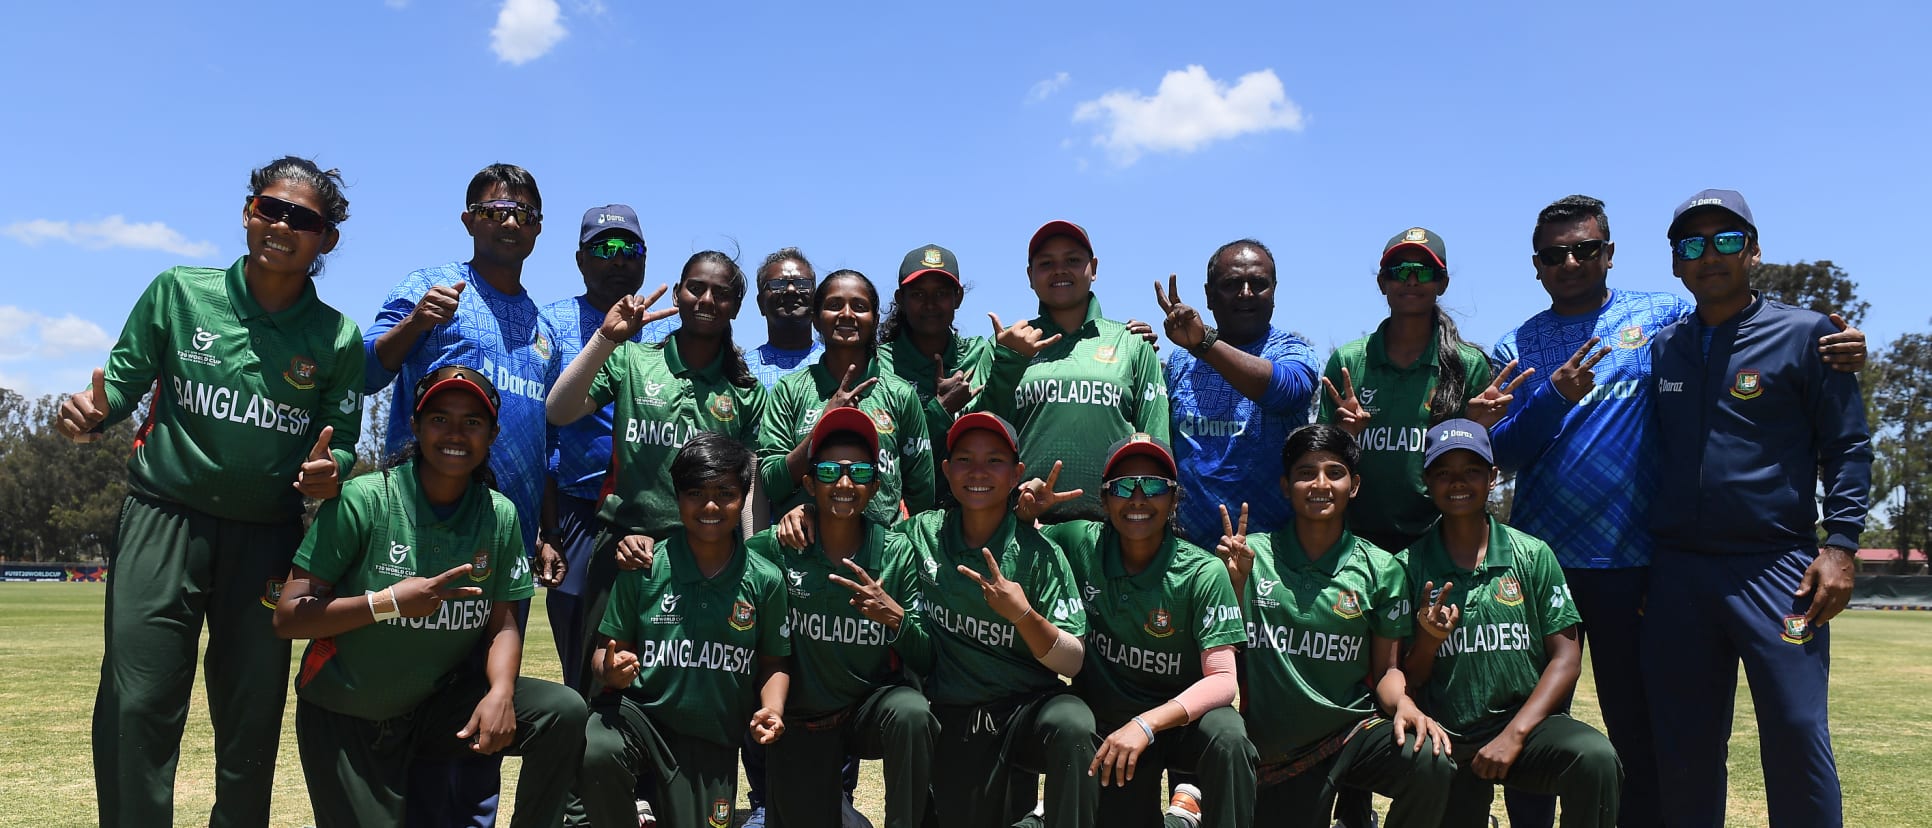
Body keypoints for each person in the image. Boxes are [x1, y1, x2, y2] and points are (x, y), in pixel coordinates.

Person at [1486, 194, 1866, 827]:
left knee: (1775, 732)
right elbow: (1499, 451)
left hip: (1706, 565)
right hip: (1585, 569)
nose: (1571, 262)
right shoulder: (1529, 344)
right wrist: (1549, 399)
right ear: (1536, 265)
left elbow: (1840, 431)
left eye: (1585, 249)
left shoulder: (1666, 321)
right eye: (1555, 254)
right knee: (1635, 740)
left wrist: (1842, 542)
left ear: (1610, 254)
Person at [55, 156, 363, 828]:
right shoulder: (180, 292)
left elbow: (339, 443)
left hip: (267, 536)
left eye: (302, 218)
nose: (280, 224)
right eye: (268, 207)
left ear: (326, 240)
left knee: (251, 719)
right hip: (162, 519)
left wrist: (328, 469)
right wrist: (86, 412)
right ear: (249, 211)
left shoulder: (337, 337)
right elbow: (118, 387)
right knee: (137, 705)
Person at [1643, 189, 1871, 826]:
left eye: (1725, 240)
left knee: (1797, 733)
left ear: (1754, 250)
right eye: (1692, 245)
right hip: (1679, 574)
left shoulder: (1810, 335)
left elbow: (1849, 445)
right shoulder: (1665, 347)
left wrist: (1842, 545)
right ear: (1676, 265)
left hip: (1778, 571)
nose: (1708, 255)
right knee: (1684, 748)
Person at [274, 365, 587, 827]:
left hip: (435, 709)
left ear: (492, 434)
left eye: (472, 422)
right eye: (440, 419)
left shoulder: (498, 515)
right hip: (349, 716)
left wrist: (501, 690)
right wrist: (389, 603)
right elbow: (289, 617)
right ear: (416, 426)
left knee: (562, 711)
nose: (455, 433)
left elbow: (503, 622)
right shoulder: (366, 499)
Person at [362, 162, 559, 826]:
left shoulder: (541, 326)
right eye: (496, 210)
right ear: (469, 218)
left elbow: (544, 445)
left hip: (502, 545)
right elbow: (364, 366)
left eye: (524, 214)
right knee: (415, 711)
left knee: (484, 712)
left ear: (538, 230)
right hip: (423, 531)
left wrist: (543, 529)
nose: (510, 221)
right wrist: (417, 323)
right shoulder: (431, 287)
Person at [543, 250, 765, 695]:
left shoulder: (744, 391)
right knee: (602, 687)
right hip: (623, 550)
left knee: (684, 692)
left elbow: (751, 488)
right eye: (695, 288)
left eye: (721, 293)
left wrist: (752, 559)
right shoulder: (633, 360)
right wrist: (605, 338)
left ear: (736, 307)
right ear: (679, 294)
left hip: (705, 558)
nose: (706, 299)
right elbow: (558, 409)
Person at [1215, 424, 1452, 828]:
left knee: (1430, 759)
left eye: (1334, 472)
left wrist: (1405, 704)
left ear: (1354, 485)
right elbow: (1223, 657)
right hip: (1278, 749)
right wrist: (1233, 586)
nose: (1320, 483)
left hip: (1353, 732)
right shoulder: (1248, 557)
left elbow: (1387, 671)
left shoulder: (1381, 569)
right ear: (1286, 486)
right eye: (1306, 473)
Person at [1017, 435, 1255, 828]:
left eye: (1155, 486)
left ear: (1175, 498)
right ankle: (1181, 818)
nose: (1139, 499)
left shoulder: (1202, 572)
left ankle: (1191, 800)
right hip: (1109, 727)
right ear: (1105, 498)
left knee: (1228, 734)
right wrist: (1024, 514)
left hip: (1179, 725)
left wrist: (1147, 724)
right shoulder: (1079, 541)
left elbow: (1224, 682)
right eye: (1124, 487)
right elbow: (1017, 543)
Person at [1401, 419, 1620, 827]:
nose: (1458, 482)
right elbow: (1405, 676)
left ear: (1493, 477)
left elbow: (1567, 656)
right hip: (1445, 735)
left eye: (1471, 471)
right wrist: (1429, 642)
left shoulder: (1533, 554)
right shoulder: (1408, 565)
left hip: (1523, 728)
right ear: (1426, 481)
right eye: (1444, 473)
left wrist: (1515, 734)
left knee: (1595, 759)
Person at [574, 433, 792, 828]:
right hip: (643, 721)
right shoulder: (644, 567)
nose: (710, 505)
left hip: (712, 741)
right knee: (599, 746)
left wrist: (772, 707)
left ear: (743, 497)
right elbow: (605, 656)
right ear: (678, 497)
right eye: (695, 492)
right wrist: (611, 667)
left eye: (725, 492)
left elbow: (774, 661)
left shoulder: (765, 579)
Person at [894, 411, 1097, 828]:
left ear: (1017, 473)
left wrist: (1022, 615)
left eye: (995, 461)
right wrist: (802, 515)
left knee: (1074, 722)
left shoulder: (1039, 552)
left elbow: (1073, 660)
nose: (978, 473)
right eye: (965, 460)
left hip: (1026, 712)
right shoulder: (923, 534)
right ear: (947, 471)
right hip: (953, 714)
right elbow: (863, 538)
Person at [759, 407, 938, 828]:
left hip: (869, 710)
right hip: (803, 719)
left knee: (911, 712)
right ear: (807, 483)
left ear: (876, 485)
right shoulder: (778, 545)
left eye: (859, 472)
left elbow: (928, 656)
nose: (844, 483)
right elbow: (725, 569)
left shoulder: (895, 552)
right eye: (828, 472)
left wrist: (895, 618)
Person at [1318, 227, 1514, 554]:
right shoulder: (1349, 361)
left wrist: (1475, 425)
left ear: (1442, 283)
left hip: (1438, 542)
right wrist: (1344, 433)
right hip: (1355, 541)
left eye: (1423, 272)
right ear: (1382, 283)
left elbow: (1474, 463)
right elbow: (1322, 460)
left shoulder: (1470, 365)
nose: (1411, 280)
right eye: (1399, 271)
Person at [981, 220, 1170, 522]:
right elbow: (978, 434)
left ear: (1093, 268)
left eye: (1072, 260)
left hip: (1115, 531)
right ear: (1030, 276)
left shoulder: (1131, 342)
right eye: (1046, 263)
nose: (1060, 270)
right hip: (1023, 526)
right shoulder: (1005, 345)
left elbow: (1156, 442)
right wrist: (1009, 360)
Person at [535, 203, 652, 689]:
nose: (618, 259)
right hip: (579, 513)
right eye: (604, 249)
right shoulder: (553, 322)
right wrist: (547, 530)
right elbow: (537, 430)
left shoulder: (667, 324)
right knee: (586, 668)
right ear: (581, 260)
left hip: (653, 514)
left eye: (631, 249)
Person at [1155, 239, 1320, 545]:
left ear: (1274, 291)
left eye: (1258, 283)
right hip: (1188, 554)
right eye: (1232, 284)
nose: (1246, 293)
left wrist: (1205, 344)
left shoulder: (1293, 351)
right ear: (1209, 295)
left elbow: (1287, 391)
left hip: (1273, 557)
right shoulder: (1179, 360)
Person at [758, 268, 935, 528]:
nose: (847, 314)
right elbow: (771, 484)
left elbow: (922, 495)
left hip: (883, 555)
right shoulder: (790, 390)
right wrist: (823, 424)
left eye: (860, 306)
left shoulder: (900, 394)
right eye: (834, 305)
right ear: (816, 319)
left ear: (875, 320)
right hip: (804, 556)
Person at [876, 244, 992, 509]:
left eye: (941, 293)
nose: (930, 304)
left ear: (958, 297)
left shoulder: (980, 354)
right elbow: (886, 452)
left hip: (972, 515)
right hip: (903, 519)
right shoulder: (879, 364)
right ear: (901, 299)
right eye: (918, 294)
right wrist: (940, 411)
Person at [745, 247, 827, 388]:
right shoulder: (742, 371)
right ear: (760, 304)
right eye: (778, 284)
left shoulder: (835, 364)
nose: (791, 290)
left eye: (802, 284)